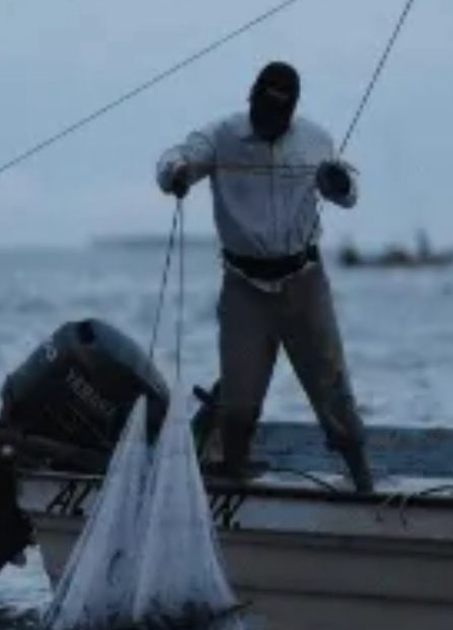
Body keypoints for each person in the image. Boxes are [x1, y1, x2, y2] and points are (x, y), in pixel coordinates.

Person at [155, 61, 373, 492]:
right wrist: (176, 174)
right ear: (249, 99)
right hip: (244, 287)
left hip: (304, 282)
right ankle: (233, 481)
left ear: (291, 114)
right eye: (260, 111)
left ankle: (363, 480)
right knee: (239, 402)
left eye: (276, 116)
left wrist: (338, 182)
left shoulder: (315, 141)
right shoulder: (222, 136)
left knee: (333, 390)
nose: (266, 123)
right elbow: (174, 159)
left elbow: (346, 195)